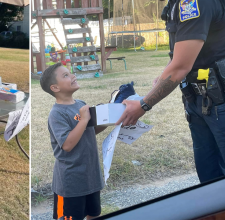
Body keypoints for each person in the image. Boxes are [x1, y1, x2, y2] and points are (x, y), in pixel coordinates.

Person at [116, 0, 225, 183]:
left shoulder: (196, 2)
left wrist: (143, 105)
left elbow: (180, 67)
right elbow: (180, 56)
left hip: (219, 103)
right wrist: (162, 77)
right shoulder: (177, 3)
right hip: (199, 100)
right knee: (209, 178)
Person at [40, 63, 107, 220]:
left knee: (94, 214)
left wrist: (107, 120)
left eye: (70, 73)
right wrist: (83, 120)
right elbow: (67, 145)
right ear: (55, 88)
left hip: (91, 177)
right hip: (69, 184)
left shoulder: (81, 104)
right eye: (65, 75)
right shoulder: (56, 114)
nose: (72, 76)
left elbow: (90, 131)